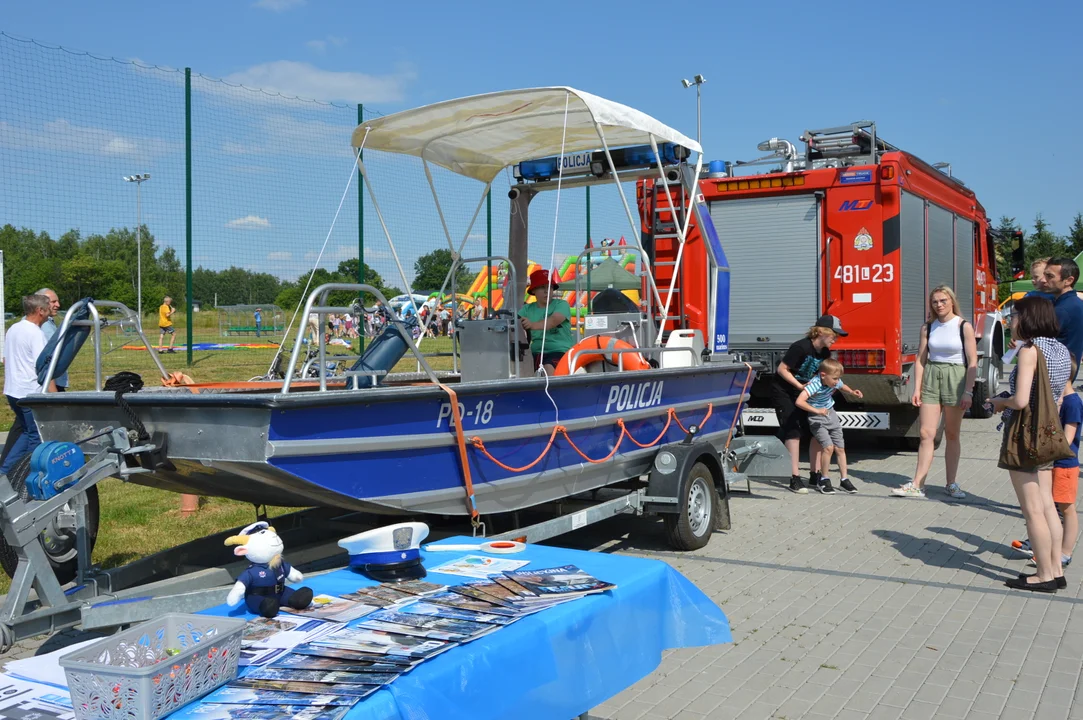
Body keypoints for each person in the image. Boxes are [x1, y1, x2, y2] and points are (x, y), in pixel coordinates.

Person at [988, 296, 1072, 592]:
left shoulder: (1029, 350)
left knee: (1032, 509)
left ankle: (1044, 575)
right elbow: (1059, 395)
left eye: (1013, 317)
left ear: (1027, 318)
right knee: (1048, 505)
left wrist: (999, 402)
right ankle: (1056, 570)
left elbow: (1021, 400)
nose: (1010, 322)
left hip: (1025, 435)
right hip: (1049, 433)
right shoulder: (1060, 349)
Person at [891, 286, 978, 499]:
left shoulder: (963, 326)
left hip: (955, 377)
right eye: (935, 302)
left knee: (951, 434)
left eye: (943, 300)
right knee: (926, 434)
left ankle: (951, 483)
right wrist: (917, 388)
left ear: (951, 301)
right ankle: (917, 484)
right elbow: (921, 359)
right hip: (932, 375)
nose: (939, 305)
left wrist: (968, 391)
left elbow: (973, 360)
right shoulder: (928, 328)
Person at [773, 315, 847, 494]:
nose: (835, 339)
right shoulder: (801, 347)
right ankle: (795, 477)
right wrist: (799, 385)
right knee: (794, 431)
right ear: (821, 332)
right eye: (833, 335)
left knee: (815, 430)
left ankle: (815, 474)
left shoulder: (824, 353)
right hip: (785, 391)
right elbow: (782, 369)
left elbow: (823, 377)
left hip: (805, 392)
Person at [0, 295, 56, 478]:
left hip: (13, 391)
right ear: (40, 311)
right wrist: (54, 395)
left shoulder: (14, 328)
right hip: (29, 392)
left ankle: (5, 472)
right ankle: (24, 475)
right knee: (36, 436)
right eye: (48, 307)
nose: (50, 311)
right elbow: (44, 367)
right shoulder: (36, 333)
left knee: (26, 432)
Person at [794, 358, 864, 494]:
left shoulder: (833, 382)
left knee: (840, 448)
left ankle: (844, 480)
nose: (837, 382)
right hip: (817, 418)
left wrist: (851, 391)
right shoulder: (814, 384)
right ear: (823, 375)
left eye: (838, 378)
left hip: (831, 414)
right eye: (835, 379)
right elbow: (799, 401)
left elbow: (841, 386)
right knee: (828, 448)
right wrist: (817, 411)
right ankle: (824, 480)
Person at [519, 269, 574, 374]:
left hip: (560, 351)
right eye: (542, 287)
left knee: (548, 366)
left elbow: (553, 321)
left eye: (550, 287)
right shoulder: (527, 309)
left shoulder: (561, 305)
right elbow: (514, 322)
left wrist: (531, 325)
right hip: (536, 353)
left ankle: (552, 390)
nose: (546, 291)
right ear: (534, 290)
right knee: (518, 365)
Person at [1044, 256, 1083, 378]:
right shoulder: (1073, 303)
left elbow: (1041, 343)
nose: (1044, 280)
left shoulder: (1062, 310)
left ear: (1068, 280)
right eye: (1045, 275)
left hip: (1054, 376)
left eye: (1050, 276)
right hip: (1065, 375)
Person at [37, 288, 68, 391]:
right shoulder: (43, 325)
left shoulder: (47, 322)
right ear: (41, 303)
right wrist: (53, 393)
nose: (58, 305)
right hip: (49, 384)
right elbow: (48, 360)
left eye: (58, 301)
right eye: (53, 301)